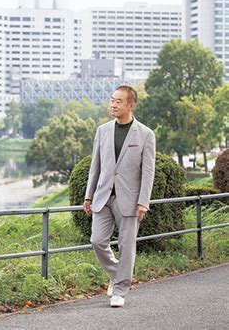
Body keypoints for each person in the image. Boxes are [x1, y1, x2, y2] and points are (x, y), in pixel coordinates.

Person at [83, 85, 155, 308]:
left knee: (126, 245)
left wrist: (144, 201)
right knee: (97, 241)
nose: (113, 104)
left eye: (118, 101)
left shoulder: (145, 134)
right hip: (102, 196)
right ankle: (118, 275)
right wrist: (88, 196)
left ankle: (120, 290)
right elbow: (95, 166)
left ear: (130, 105)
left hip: (130, 200)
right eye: (112, 100)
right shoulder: (102, 131)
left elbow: (148, 171)